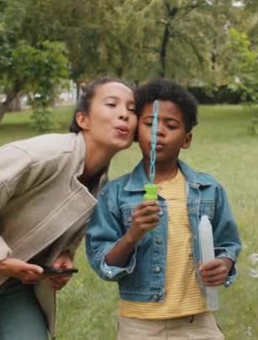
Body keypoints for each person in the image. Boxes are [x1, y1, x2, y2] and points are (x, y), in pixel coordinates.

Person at [0, 77, 138, 339]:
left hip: (10, 279)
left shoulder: (101, 184)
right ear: (83, 120)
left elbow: (63, 231)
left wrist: (62, 256)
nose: (124, 114)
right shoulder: (47, 154)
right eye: (112, 104)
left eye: (132, 109)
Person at [86, 78, 241, 340]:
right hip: (140, 325)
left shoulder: (208, 189)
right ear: (136, 132)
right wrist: (132, 235)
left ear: (187, 139)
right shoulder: (115, 195)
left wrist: (224, 263)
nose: (159, 131)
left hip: (198, 322)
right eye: (150, 124)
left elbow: (227, 243)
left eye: (171, 125)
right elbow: (104, 264)